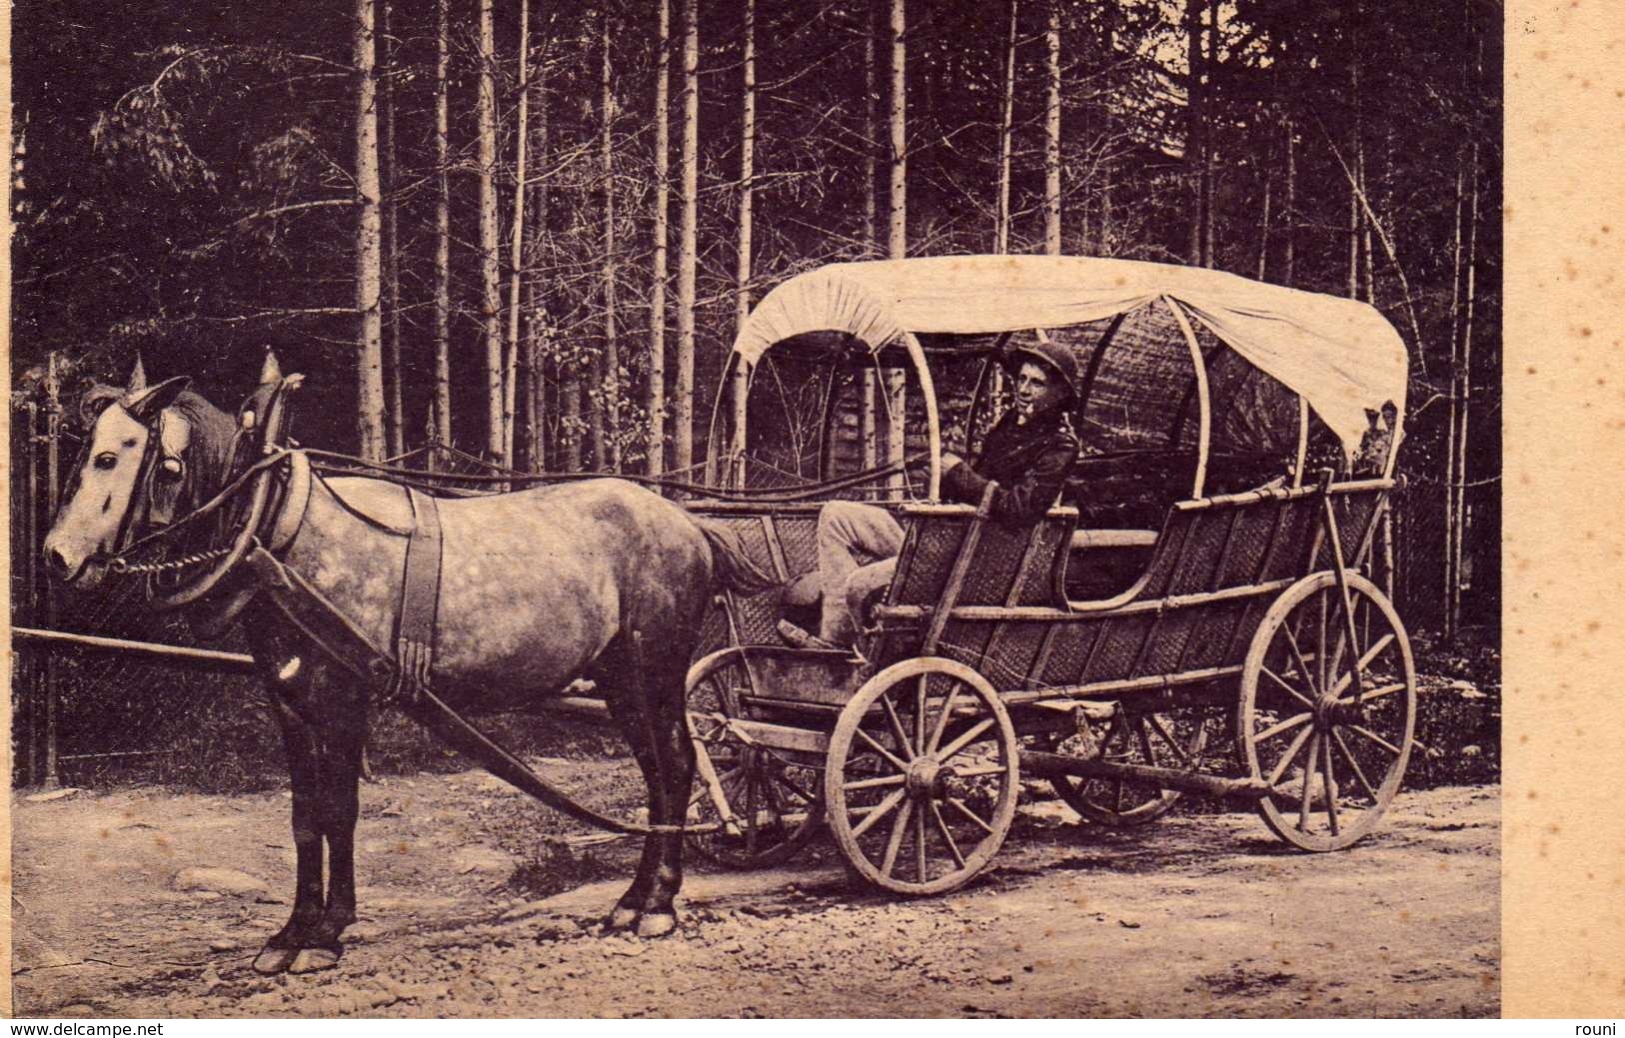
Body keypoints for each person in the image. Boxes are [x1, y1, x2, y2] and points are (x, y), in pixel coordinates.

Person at [778, 337, 1082, 650]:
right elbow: (976, 482)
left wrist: (959, 475)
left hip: (976, 560)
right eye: (1021, 379)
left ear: (1059, 393)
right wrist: (942, 473)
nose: (1024, 389)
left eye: (1037, 383)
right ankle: (836, 637)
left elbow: (1019, 509)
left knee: (857, 584)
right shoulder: (1009, 425)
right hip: (947, 542)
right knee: (835, 515)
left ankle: (848, 649)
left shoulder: (1060, 446)